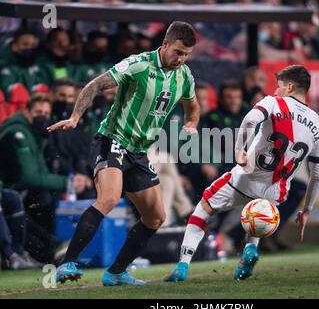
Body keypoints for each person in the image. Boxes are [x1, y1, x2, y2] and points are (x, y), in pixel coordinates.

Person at [47, 21, 200, 286]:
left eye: (186, 54)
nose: (181, 59)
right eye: (177, 52)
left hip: (140, 152)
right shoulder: (138, 64)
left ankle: (116, 271)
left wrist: (191, 124)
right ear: (165, 44)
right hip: (113, 140)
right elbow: (94, 85)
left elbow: (193, 107)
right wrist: (74, 117)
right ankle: (66, 263)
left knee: (156, 217)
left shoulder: (184, 75)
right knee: (108, 198)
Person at [164, 65, 319, 282]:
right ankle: (249, 251)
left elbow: (250, 120)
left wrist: (239, 148)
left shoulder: (273, 102)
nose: (275, 91)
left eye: (278, 87)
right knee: (257, 213)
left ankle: (183, 265)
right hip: (276, 191)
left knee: (202, 210)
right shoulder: (318, 124)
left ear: (289, 86)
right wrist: (307, 210)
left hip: (245, 177)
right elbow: (317, 174)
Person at [0, 94, 89, 263]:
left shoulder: (34, 133)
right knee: (28, 202)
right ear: (27, 113)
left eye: (46, 114)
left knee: (46, 199)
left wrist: (70, 182)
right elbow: (30, 177)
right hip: (9, 188)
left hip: (18, 190)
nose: (43, 116)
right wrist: (67, 183)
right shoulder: (17, 133)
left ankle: (52, 248)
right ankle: (48, 248)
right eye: (38, 112)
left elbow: (39, 171)